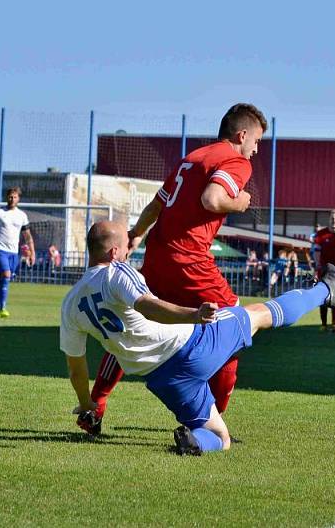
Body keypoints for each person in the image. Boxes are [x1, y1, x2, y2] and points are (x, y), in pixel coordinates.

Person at [61, 221, 335, 454]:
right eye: (126, 244)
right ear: (113, 252)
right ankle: (325, 291)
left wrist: (88, 405)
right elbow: (147, 305)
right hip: (192, 345)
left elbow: (76, 368)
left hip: (164, 380)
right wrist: (193, 314)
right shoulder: (116, 271)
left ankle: (194, 442)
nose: (131, 248)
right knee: (258, 314)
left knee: (220, 438)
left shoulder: (70, 302)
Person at [88, 103, 268, 433]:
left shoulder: (193, 158)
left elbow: (157, 204)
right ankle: (208, 423)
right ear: (242, 135)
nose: (256, 150)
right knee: (233, 328)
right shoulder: (236, 161)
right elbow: (213, 200)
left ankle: (95, 404)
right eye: (256, 141)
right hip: (190, 261)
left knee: (131, 324)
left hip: (159, 255)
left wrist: (135, 237)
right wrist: (239, 202)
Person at [0, 187, 35, 317]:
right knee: (7, 275)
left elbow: (28, 236)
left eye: (15, 197)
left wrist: (32, 252)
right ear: (6, 197)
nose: (12, 199)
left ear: (18, 199)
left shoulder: (22, 216)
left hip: (14, 253)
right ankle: (3, 308)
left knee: (5, 280)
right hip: (0, 250)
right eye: (10, 196)